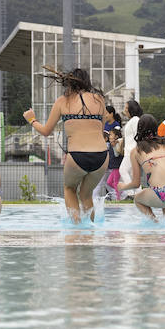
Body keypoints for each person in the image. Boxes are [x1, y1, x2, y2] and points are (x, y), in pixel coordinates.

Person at [23, 67, 110, 223]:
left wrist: (32, 120)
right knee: (86, 194)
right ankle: (90, 230)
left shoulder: (63, 101)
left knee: (69, 189)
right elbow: (101, 129)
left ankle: (76, 229)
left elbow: (46, 131)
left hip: (77, 156)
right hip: (101, 156)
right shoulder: (99, 99)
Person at [119, 114, 165, 221]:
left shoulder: (136, 151)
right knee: (163, 188)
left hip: (161, 195)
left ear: (139, 130)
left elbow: (136, 184)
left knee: (137, 199)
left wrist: (123, 187)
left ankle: (155, 222)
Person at [116, 99, 143, 199]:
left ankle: (130, 193)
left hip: (132, 152)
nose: (125, 110)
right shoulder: (132, 120)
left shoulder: (135, 120)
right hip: (129, 151)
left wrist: (136, 150)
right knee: (132, 174)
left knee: (123, 170)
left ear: (131, 109)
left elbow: (138, 136)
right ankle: (139, 194)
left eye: (126, 107)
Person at [104, 125, 125, 199]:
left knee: (115, 182)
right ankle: (122, 192)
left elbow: (117, 154)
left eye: (111, 135)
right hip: (114, 167)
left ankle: (118, 198)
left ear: (116, 136)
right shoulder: (111, 144)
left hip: (117, 166)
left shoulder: (117, 143)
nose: (109, 136)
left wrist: (114, 146)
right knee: (109, 182)